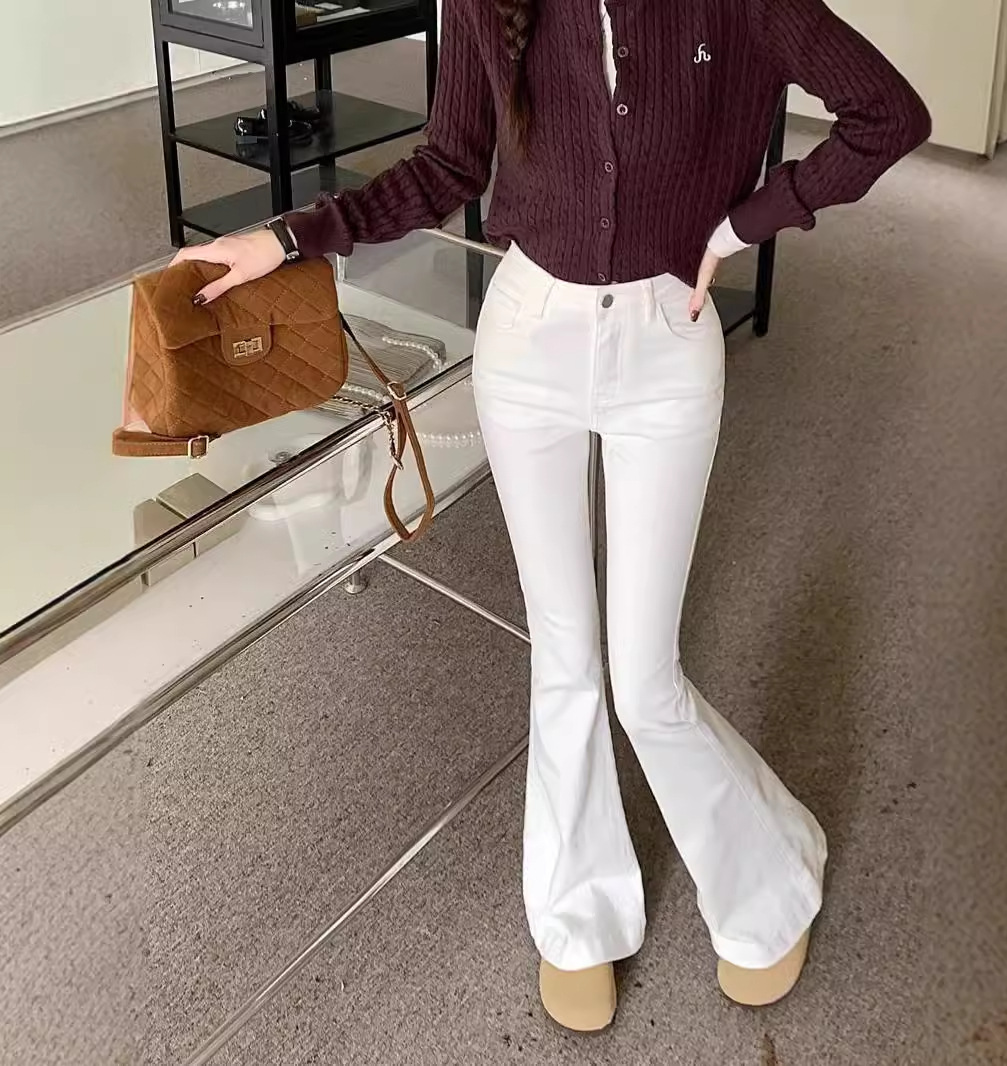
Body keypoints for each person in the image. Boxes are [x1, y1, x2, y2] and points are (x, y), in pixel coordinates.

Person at [174, 0, 930, 1033]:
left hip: (668, 345)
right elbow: (448, 164)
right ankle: (576, 915)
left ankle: (771, 875)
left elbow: (887, 114)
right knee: (563, 660)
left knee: (645, 680)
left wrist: (745, 222)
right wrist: (289, 237)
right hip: (528, 344)